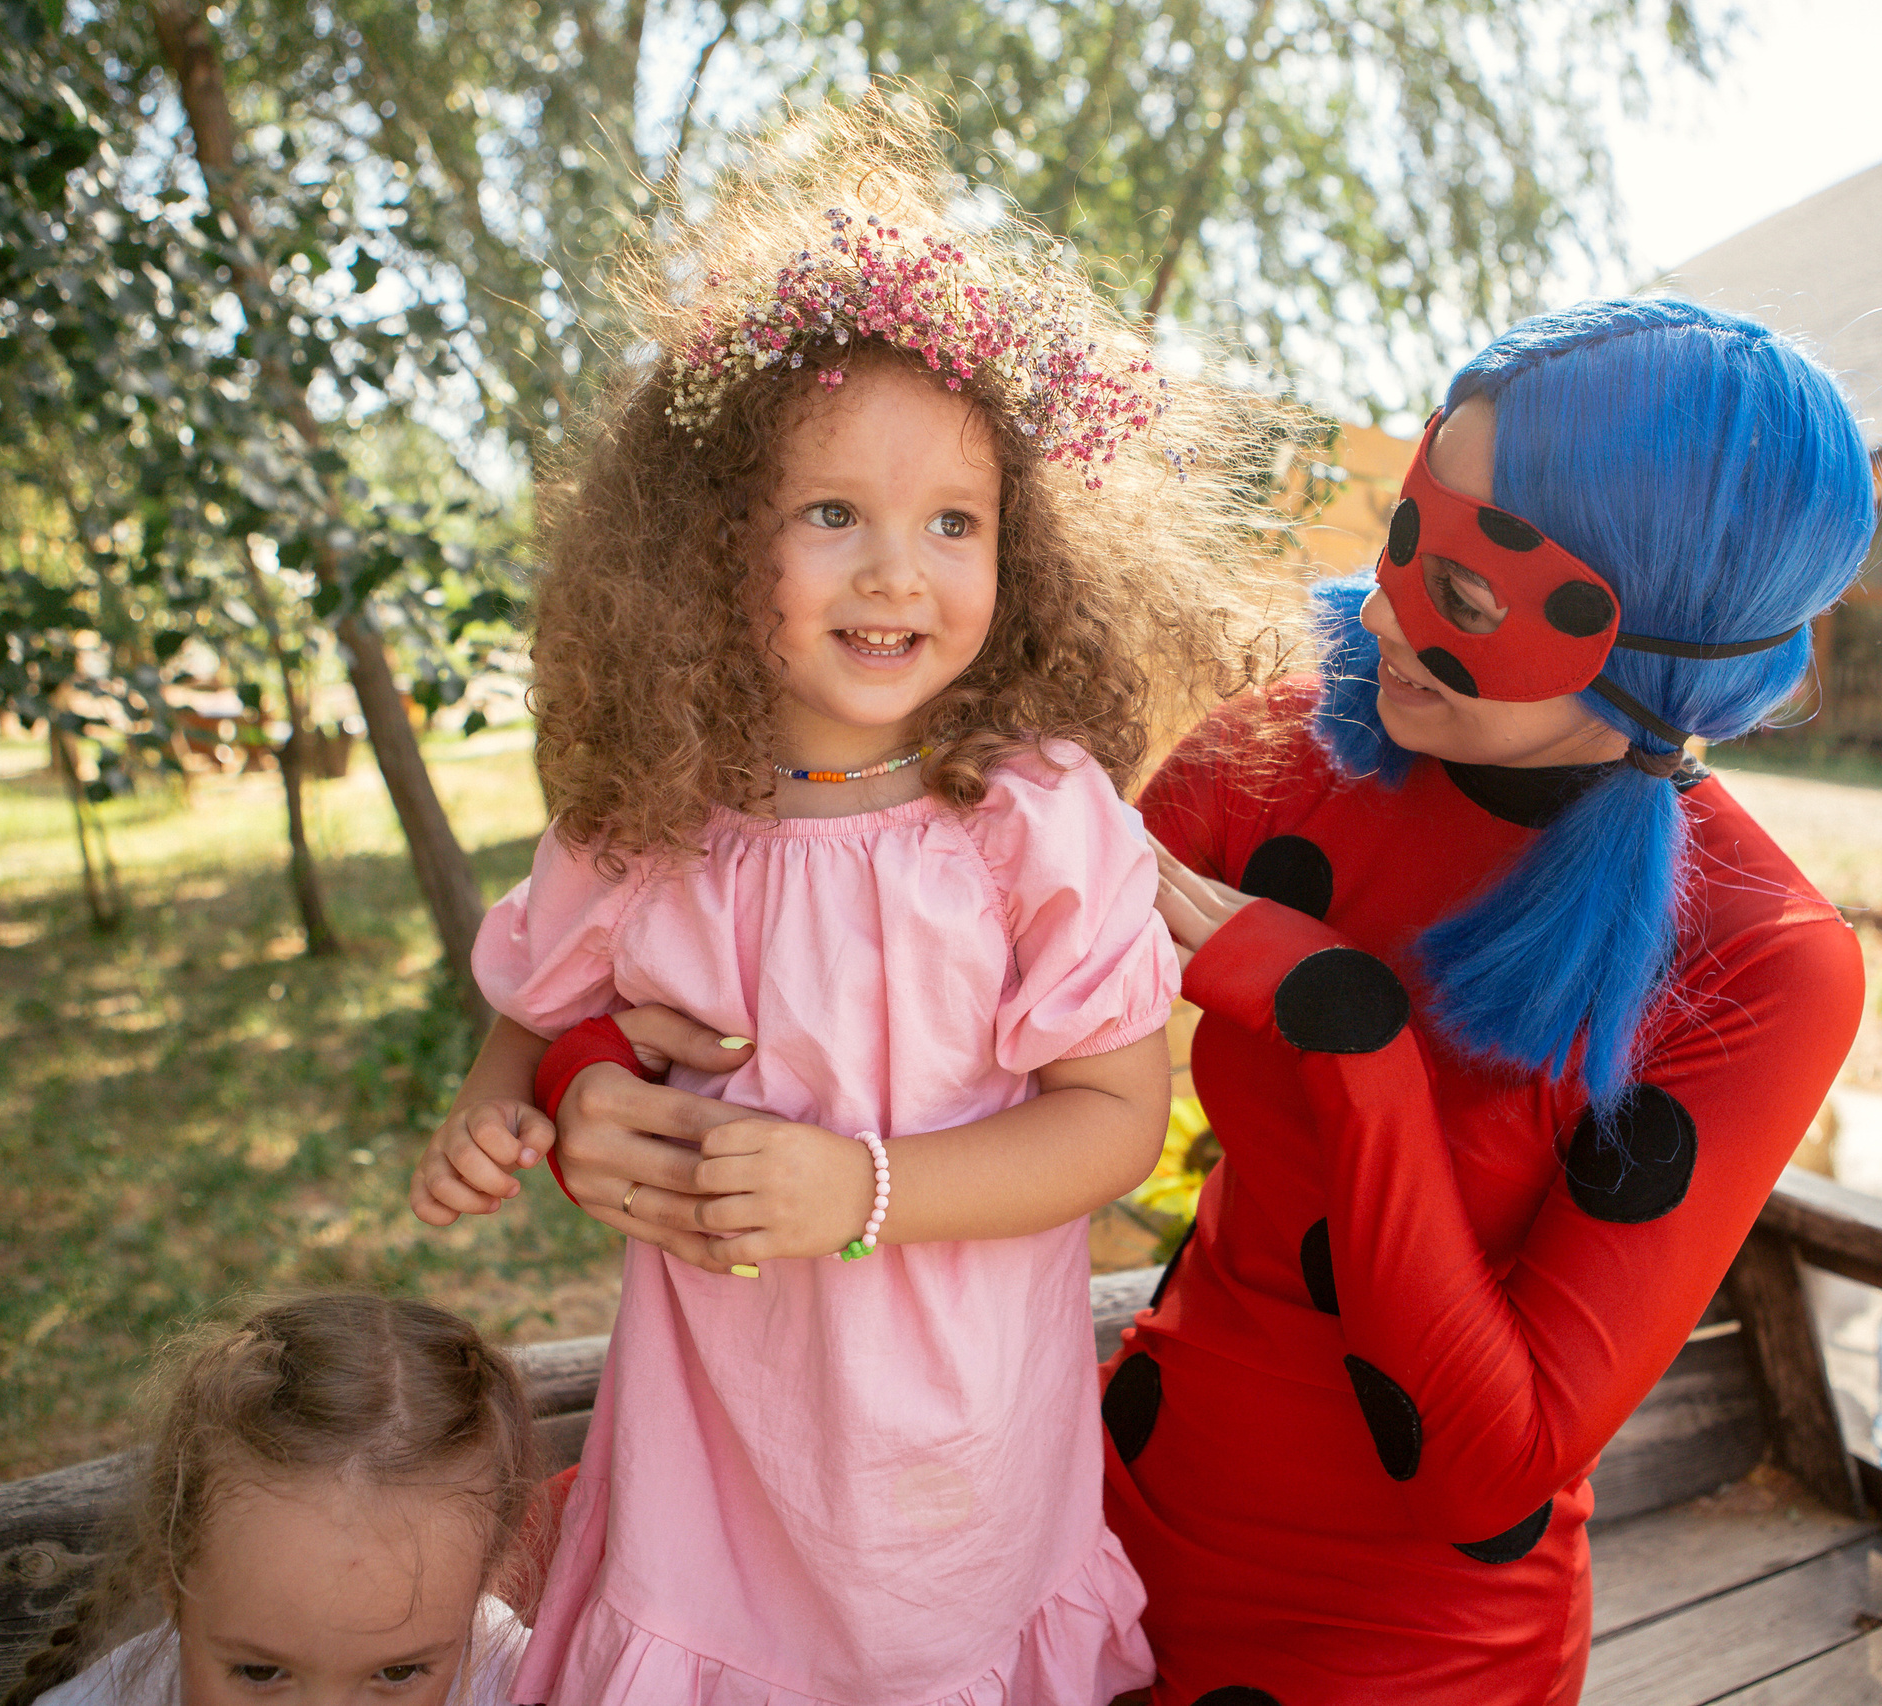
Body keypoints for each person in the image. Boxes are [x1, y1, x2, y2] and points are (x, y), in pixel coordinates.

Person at [406, 103, 1294, 1706]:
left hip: (955, 1483)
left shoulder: (1035, 823)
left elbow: (1110, 1120)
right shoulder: (652, 822)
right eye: (833, 515)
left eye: (953, 523)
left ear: (1019, 552)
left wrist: (862, 1189)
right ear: (702, 549)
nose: (899, 571)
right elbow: (539, 1008)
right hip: (717, 1474)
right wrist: (509, 1109)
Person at [1106, 297, 1879, 1703]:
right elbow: (966, 956)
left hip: (1398, 1648)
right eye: (1409, 529)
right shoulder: (1294, 748)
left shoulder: (1757, 954)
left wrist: (1351, 1034)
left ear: (1654, 636)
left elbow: (1492, 1460)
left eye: (1467, 593)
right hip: (1101, 1526)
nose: (1389, 605)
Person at [3, 1294, 541, 1706]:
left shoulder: (528, 1680)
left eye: (397, 1673)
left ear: (481, 1587)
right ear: (174, 1585)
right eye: (261, 1674)